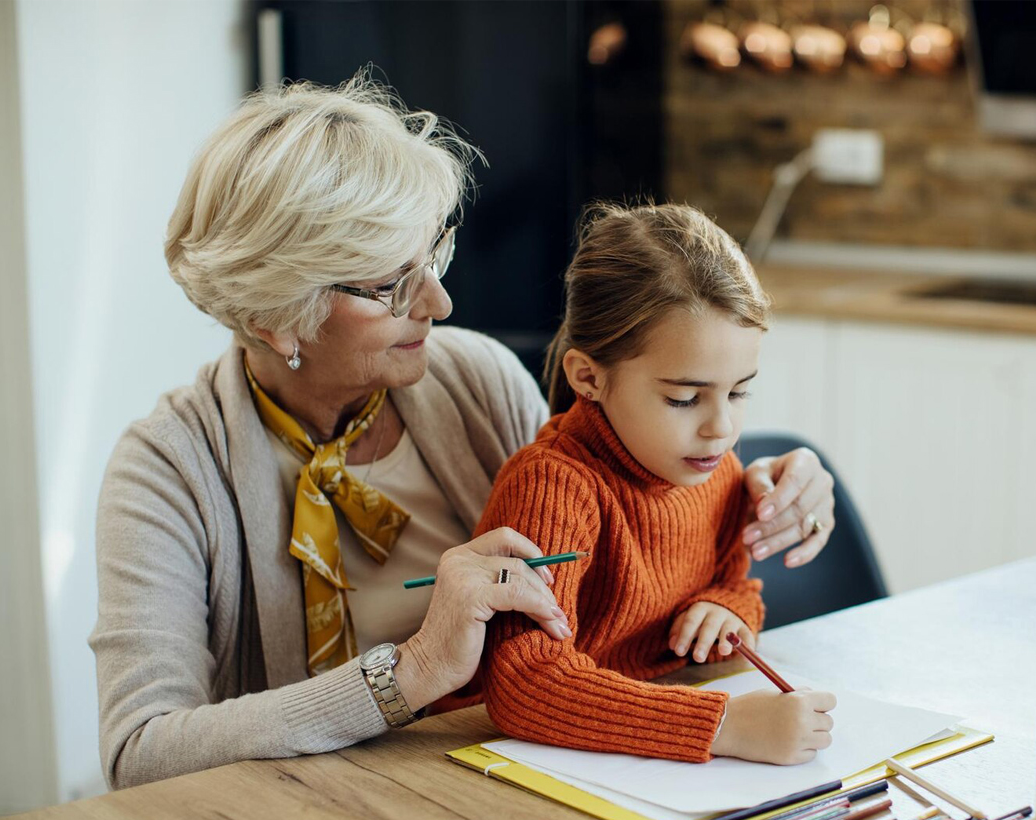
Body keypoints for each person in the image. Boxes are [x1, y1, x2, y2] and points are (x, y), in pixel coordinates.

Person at [90, 76, 837, 790]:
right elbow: (140, 752)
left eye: (434, 256)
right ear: (272, 314)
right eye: (391, 284)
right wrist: (410, 673)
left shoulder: (474, 379)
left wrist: (758, 494)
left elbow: (614, 543)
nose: (441, 303)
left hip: (488, 778)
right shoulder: (166, 471)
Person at [477, 203, 836, 766]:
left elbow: (735, 582)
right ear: (589, 377)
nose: (722, 428)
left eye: (739, 392)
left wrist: (728, 609)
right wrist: (724, 726)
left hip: (644, 748)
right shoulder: (551, 484)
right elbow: (524, 682)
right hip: (515, 762)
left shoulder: (711, 467)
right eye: (685, 398)